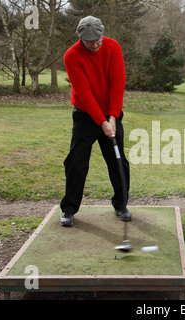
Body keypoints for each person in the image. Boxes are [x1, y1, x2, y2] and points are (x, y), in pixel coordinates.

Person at [60, 16, 131, 227]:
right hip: (84, 114)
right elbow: (84, 93)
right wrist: (101, 122)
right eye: (90, 41)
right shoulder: (72, 56)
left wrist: (112, 117)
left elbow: (118, 82)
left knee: (118, 161)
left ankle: (121, 205)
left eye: (98, 39)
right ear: (81, 38)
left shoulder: (112, 47)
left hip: (111, 113)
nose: (95, 44)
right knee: (76, 162)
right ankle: (69, 209)